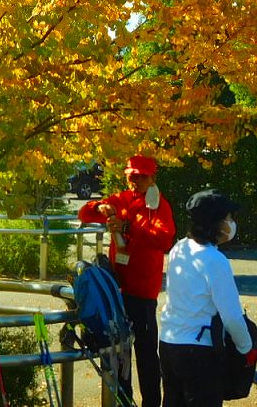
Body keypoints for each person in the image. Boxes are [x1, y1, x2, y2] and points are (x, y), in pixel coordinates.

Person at [78, 154, 176, 407]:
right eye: (132, 176)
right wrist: (99, 206)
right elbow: (84, 214)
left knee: (145, 353)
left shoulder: (159, 206)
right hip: (117, 288)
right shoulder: (121, 199)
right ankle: (123, 401)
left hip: (142, 290)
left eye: (142, 176)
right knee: (118, 352)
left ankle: (152, 403)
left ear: (152, 178)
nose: (136, 181)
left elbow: (165, 239)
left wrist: (128, 228)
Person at [158, 189, 257, 407]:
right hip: (198, 350)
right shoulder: (215, 260)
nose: (232, 223)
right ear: (217, 223)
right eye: (229, 218)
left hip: (169, 342)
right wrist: (247, 348)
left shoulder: (180, 248)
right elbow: (231, 316)